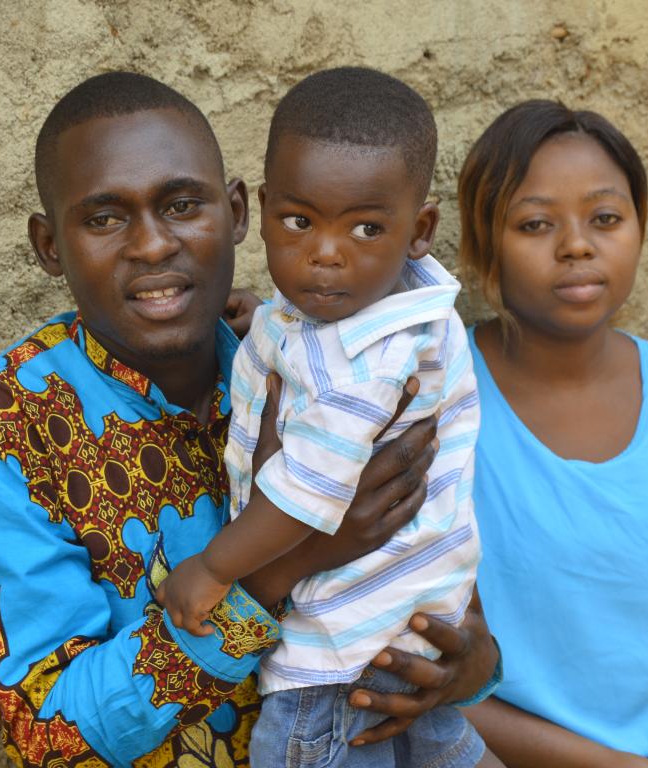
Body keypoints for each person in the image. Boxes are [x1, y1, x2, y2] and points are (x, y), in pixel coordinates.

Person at [0, 71, 499, 768]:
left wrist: (471, 664)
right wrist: (281, 565)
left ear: (235, 213)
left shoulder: (326, 359)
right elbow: (52, 738)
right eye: (104, 218)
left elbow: (437, 552)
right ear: (50, 246)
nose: (153, 245)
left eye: (182, 205)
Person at [156, 66, 497, 768]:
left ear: (420, 229)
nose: (326, 254)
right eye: (299, 221)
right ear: (266, 208)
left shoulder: (370, 362)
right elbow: (308, 338)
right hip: (403, 635)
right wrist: (267, 326)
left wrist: (214, 569)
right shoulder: (378, 308)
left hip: (337, 660)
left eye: (366, 227)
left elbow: (310, 492)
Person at [454, 100, 648, 768]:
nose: (576, 245)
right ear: (485, 245)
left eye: (606, 218)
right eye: (536, 224)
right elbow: (426, 678)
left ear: (639, 226)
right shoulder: (439, 402)